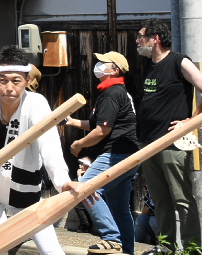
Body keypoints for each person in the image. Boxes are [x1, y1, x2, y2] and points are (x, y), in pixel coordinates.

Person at [0, 46, 84, 255]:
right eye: (2, 80)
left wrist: (63, 181)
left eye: (16, 81)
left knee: (50, 249)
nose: (9, 87)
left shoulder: (36, 105)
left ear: (27, 80)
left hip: (24, 187)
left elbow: (50, 146)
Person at [135, 19, 202, 250]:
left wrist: (191, 122)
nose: (138, 41)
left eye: (141, 36)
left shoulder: (179, 61)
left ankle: (191, 248)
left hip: (172, 142)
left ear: (156, 38)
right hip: (149, 141)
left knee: (182, 199)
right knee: (160, 200)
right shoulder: (150, 65)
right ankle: (166, 247)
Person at [64, 51, 138, 255]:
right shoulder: (115, 92)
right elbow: (97, 124)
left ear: (114, 69)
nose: (97, 65)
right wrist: (73, 122)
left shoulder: (112, 93)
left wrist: (78, 144)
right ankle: (126, 251)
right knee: (120, 208)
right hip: (127, 155)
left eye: (102, 62)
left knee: (85, 189)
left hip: (115, 154)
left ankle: (111, 238)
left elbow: (102, 131)